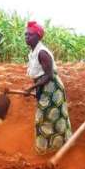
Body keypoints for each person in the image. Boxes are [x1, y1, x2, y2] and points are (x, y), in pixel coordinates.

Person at [23, 21, 73, 154]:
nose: (26, 37)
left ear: (38, 36)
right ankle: (51, 148)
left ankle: (53, 149)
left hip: (52, 89)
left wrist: (31, 88)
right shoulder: (34, 51)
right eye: (26, 34)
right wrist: (35, 88)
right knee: (48, 118)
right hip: (45, 87)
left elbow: (49, 75)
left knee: (48, 119)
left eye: (30, 34)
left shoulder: (42, 53)